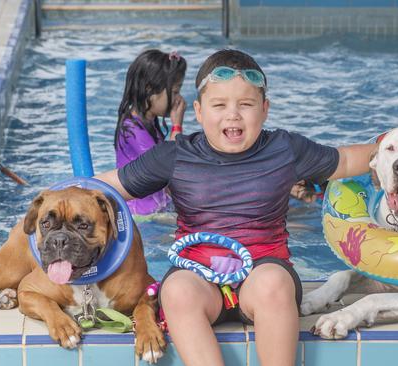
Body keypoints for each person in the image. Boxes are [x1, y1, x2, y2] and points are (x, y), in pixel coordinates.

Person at [95, 49, 375, 366]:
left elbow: (347, 159)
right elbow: (112, 185)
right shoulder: (175, 155)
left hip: (262, 272)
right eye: (219, 105)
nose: (233, 115)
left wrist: (396, 146)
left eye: (246, 104)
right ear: (198, 112)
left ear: (265, 109)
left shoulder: (284, 148)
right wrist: (62, 193)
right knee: (176, 292)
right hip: (199, 277)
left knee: (273, 285)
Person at [114, 49, 187, 217]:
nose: (178, 98)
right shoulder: (132, 131)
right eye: (175, 91)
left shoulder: (148, 122)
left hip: (156, 208)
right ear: (149, 90)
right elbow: (167, 167)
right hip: (142, 216)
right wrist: (177, 126)